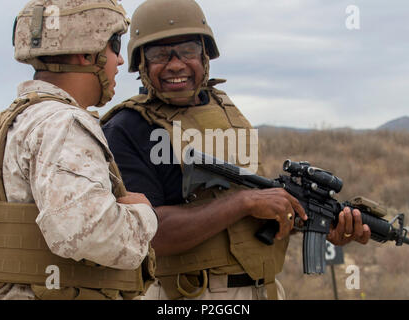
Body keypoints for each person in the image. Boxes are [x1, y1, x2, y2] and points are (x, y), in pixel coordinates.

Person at [102, 0, 371, 300]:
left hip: (264, 289)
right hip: (188, 294)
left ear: (205, 56)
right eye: (160, 54)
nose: (176, 64)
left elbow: (248, 219)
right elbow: (149, 233)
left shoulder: (225, 111)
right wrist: (243, 202)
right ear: (141, 63)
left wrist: (313, 221)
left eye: (188, 51)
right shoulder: (127, 127)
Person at [0, 0, 158, 300]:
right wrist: (143, 214)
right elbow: (88, 232)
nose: (118, 61)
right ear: (87, 53)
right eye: (114, 45)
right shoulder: (64, 124)